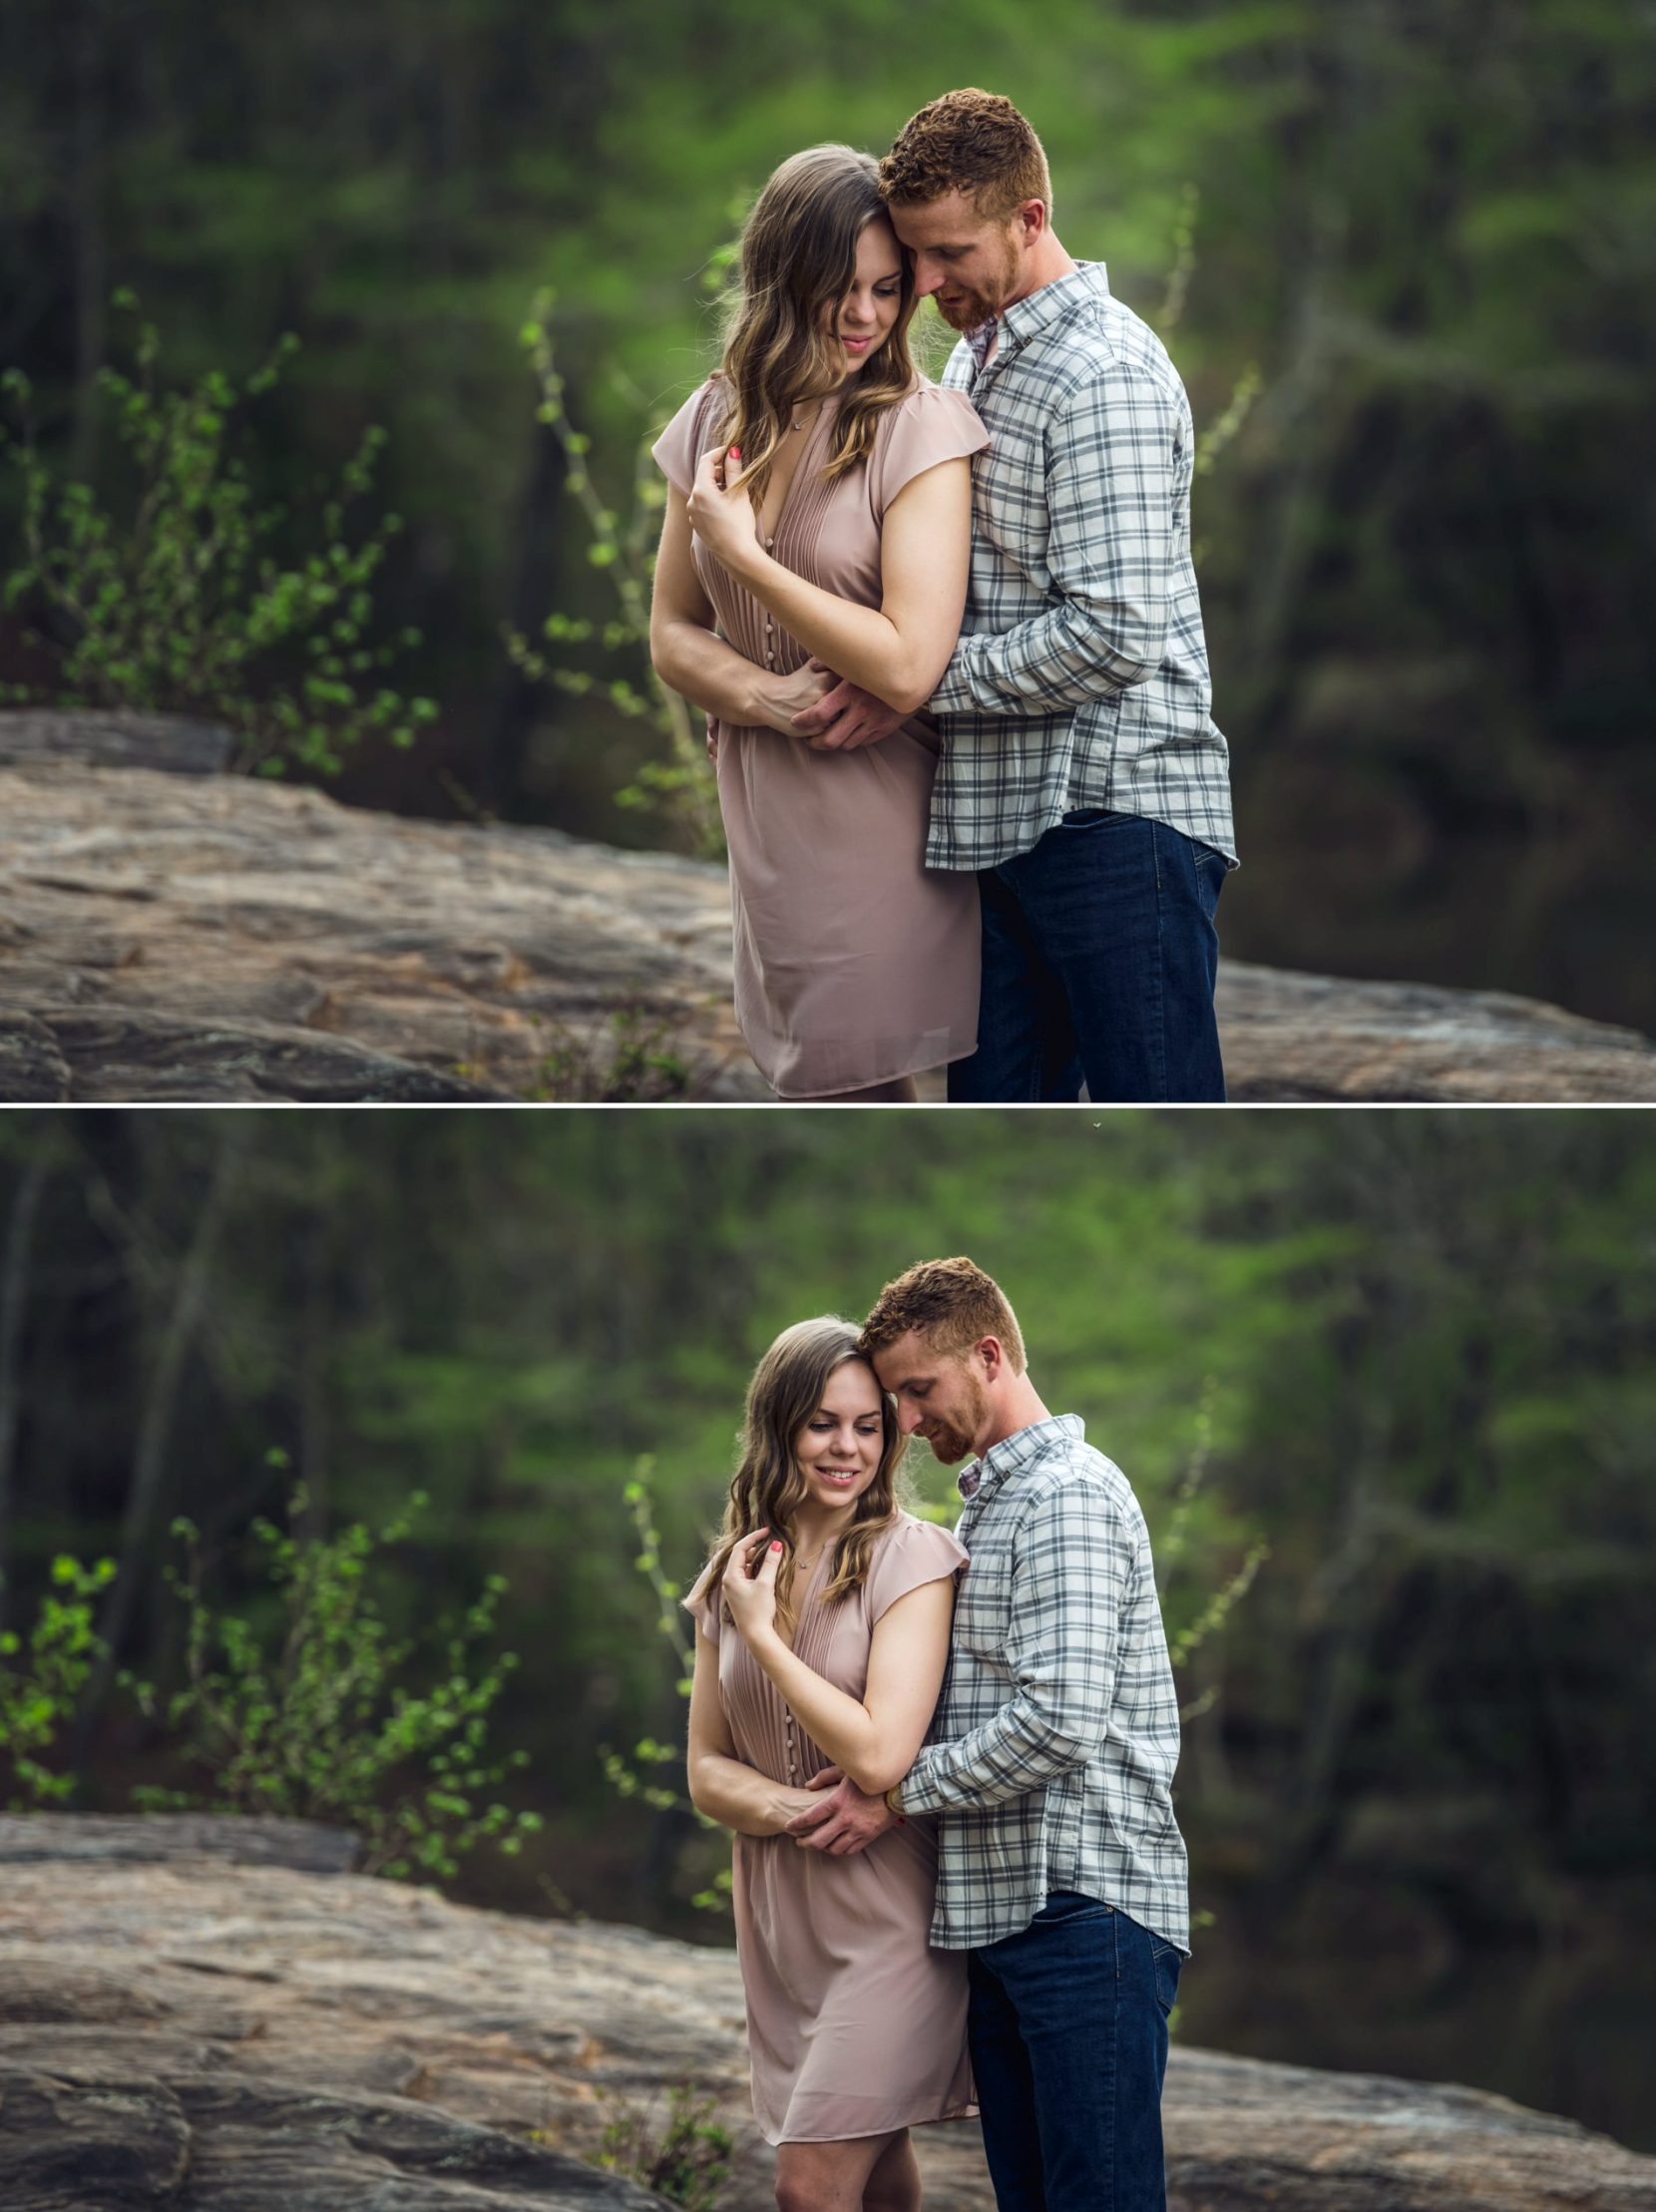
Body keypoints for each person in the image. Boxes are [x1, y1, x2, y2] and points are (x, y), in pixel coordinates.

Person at [793, 92, 1239, 1105]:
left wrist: (911, 682)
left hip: (1116, 821)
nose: (928, 280)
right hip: (997, 827)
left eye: (950, 252)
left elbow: (1111, 634)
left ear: (1030, 218)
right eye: (916, 255)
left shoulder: (1103, 373)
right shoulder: (977, 355)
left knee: (1157, 1115)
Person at [787, 1259, 1190, 2212]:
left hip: (1086, 1912)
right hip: (1009, 1917)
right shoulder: (994, 1502)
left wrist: (894, 1793)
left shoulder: (1068, 1495)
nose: (910, 1422)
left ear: (991, 1354)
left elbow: (1060, 1719)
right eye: (899, 1398)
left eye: (919, 1390)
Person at [649, 144, 989, 1103]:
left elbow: (908, 664)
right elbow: (671, 633)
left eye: (888, 289)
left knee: (886, 1097)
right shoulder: (718, 415)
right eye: (838, 287)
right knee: (813, 1095)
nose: (865, 316)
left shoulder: (918, 427)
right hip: (766, 825)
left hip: (881, 825)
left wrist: (746, 555)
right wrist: (765, 696)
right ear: (779, 277)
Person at [682, 1316, 978, 2210]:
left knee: (810, 2187)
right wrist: (787, 1809)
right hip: (786, 1925)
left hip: (893, 1922)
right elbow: (705, 1771)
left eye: (869, 1424)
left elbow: (881, 1750)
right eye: (822, 1422)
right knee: (879, 2184)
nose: (847, 1446)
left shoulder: (913, 1556)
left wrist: (765, 1637)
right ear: (778, 1426)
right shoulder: (735, 1572)